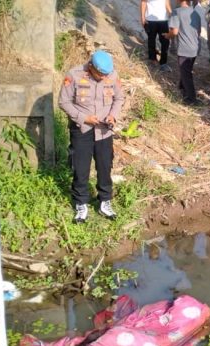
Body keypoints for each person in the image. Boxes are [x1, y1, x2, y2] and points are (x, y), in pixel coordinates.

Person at [58, 50, 125, 222]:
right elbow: (63, 102)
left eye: (106, 75)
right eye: (100, 74)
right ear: (91, 67)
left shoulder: (112, 75)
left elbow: (119, 98)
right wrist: (83, 118)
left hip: (104, 130)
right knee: (80, 168)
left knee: (104, 166)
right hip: (82, 129)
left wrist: (113, 115)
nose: (103, 78)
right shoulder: (74, 75)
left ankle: (105, 201)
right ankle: (81, 203)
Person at [164, 0, 203, 105]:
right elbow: (198, 32)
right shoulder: (196, 13)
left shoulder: (176, 12)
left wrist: (167, 36)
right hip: (195, 47)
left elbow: (175, 32)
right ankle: (182, 87)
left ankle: (191, 99)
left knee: (186, 74)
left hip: (184, 49)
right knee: (187, 69)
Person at [141, 0, 173, 71]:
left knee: (165, 41)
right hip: (150, 20)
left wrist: (172, 14)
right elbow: (144, 2)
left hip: (163, 20)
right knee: (151, 40)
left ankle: (163, 63)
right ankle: (153, 59)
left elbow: (167, 3)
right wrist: (143, 17)